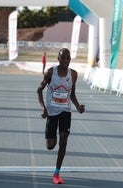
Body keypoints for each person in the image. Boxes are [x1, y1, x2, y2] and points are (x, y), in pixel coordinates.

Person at [37, 48, 85, 184]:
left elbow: (72, 94)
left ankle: (57, 173)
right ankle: (52, 139)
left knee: (63, 141)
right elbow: (39, 90)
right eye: (63, 58)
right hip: (52, 113)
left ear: (70, 59)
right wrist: (43, 108)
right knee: (50, 146)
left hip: (65, 111)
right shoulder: (51, 73)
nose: (65, 61)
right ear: (58, 59)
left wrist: (78, 106)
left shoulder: (73, 74)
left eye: (67, 58)